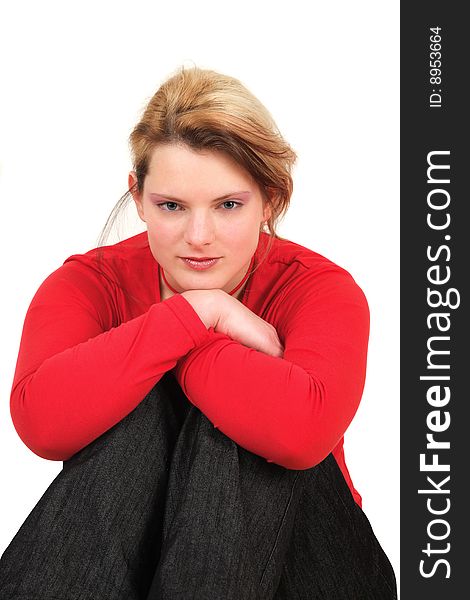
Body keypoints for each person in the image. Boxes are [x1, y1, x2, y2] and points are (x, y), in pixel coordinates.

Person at [0, 66, 397, 599]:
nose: (199, 237)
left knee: (237, 417)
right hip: (127, 574)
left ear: (271, 200)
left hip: (312, 569)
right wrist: (196, 313)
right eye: (171, 207)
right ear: (138, 198)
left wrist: (180, 338)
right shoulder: (88, 283)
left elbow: (301, 434)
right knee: (136, 411)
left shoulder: (319, 288)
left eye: (229, 205)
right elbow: (42, 424)